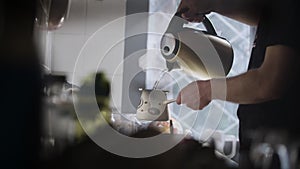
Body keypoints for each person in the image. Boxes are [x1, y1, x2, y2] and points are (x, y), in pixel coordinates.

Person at [175, 0, 300, 167]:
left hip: (283, 152)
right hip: (264, 149)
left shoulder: (290, 5)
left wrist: (206, 90)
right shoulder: (281, 8)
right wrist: (211, 5)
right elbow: (267, 19)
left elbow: (269, 82)